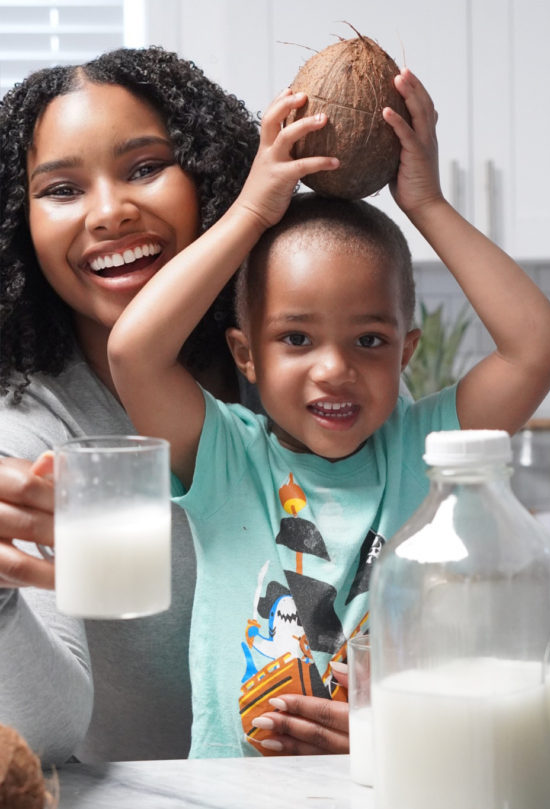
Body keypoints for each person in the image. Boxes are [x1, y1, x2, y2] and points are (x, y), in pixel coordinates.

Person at [107, 68, 550, 758]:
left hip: (395, 788)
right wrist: (252, 213)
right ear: (246, 353)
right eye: (296, 338)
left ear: (407, 350)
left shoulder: (430, 450)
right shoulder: (227, 458)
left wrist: (428, 204)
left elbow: (538, 346)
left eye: (370, 339)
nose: (334, 367)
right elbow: (135, 352)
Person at [0, 46, 351, 767]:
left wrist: (391, 717)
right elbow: (44, 736)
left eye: (144, 167)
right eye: (62, 189)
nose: (110, 212)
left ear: (212, 180)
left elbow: (441, 604)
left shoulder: (324, 376)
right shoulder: (27, 436)